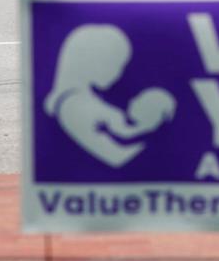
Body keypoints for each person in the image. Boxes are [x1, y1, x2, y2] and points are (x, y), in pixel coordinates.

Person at [44, 25, 176, 167]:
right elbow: (119, 156)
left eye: (121, 66)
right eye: (116, 64)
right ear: (90, 60)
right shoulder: (73, 104)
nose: (118, 74)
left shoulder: (87, 100)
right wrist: (154, 140)